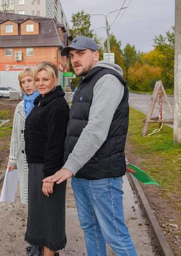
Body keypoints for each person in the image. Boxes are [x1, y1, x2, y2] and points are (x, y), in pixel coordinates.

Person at [43, 36, 137, 256]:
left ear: (96, 55)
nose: (75, 60)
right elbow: (78, 129)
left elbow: (96, 128)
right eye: (72, 56)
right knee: (91, 231)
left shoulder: (107, 80)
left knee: (115, 235)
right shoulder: (86, 82)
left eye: (81, 54)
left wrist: (69, 167)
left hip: (102, 176)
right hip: (83, 174)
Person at [24, 62, 69, 256]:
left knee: (50, 219)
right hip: (37, 167)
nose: (40, 83)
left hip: (47, 169)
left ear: (55, 80)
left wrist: (49, 177)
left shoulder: (57, 105)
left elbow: (55, 144)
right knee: (40, 217)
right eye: (37, 80)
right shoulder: (42, 101)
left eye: (45, 79)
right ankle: (42, 251)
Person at [7, 68, 40, 254]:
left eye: (30, 80)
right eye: (23, 82)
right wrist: (12, 159)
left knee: (39, 202)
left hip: (39, 161)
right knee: (30, 203)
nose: (27, 85)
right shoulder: (20, 107)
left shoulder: (42, 103)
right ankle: (34, 242)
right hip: (23, 160)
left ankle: (40, 242)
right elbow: (14, 136)